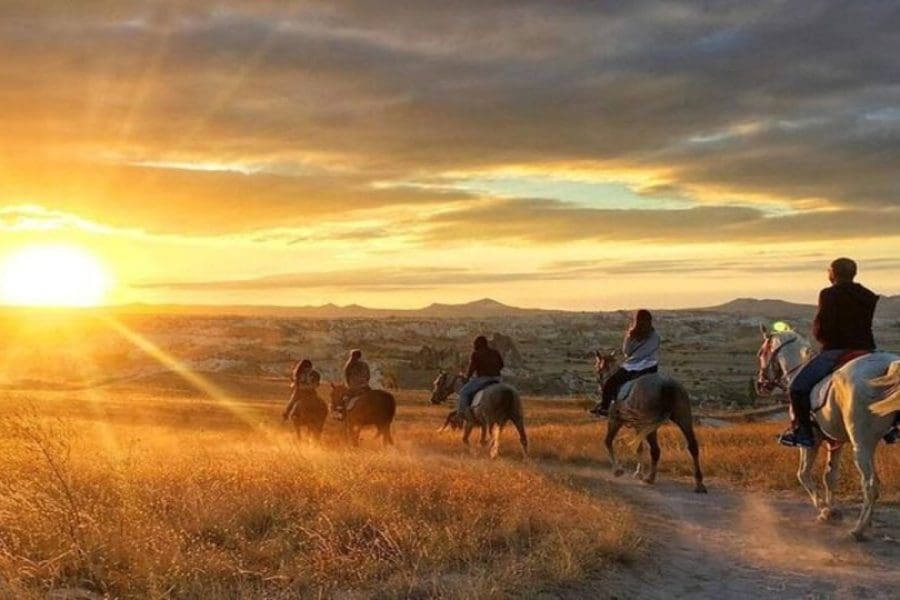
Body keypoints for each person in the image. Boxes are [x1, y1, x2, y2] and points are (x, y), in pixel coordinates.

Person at [778, 258, 878, 448]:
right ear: (854, 273)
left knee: (797, 388)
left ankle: (804, 434)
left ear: (833, 273)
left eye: (829, 271)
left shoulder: (829, 294)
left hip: (836, 350)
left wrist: (820, 337)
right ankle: (892, 427)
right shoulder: (868, 295)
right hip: (866, 350)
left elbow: (822, 326)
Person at [591, 309, 661, 417]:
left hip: (633, 367)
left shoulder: (632, 335)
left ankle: (604, 408)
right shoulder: (655, 336)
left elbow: (626, 352)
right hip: (651, 367)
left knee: (610, 384)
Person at [457, 335, 504, 420]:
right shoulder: (495, 352)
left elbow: (471, 369)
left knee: (463, 392)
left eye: (475, 344)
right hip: (497, 379)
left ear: (478, 344)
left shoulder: (476, 354)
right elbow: (501, 365)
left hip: (483, 379)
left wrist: (467, 378)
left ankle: (461, 415)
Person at [337, 349, 371, 420]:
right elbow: (368, 376)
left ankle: (343, 414)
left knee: (343, 398)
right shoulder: (365, 365)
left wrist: (350, 385)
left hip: (354, 388)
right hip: (365, 386)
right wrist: (364, 382)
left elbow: (346, 378)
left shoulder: (349, 365)